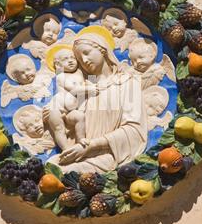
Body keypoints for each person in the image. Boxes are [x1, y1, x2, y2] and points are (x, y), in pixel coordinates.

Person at [46, 26, 148, 173]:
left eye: (87, 53)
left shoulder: (126, 82)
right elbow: (69, 124)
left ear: (102, 49)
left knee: (64, 172)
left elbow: (134, 131)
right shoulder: (84, 89)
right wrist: (53, 112)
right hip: (79, 153)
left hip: (109, 154)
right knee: (51, 165)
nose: (85, 60)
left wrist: (90, 146)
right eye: (80, 59)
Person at [43, 45, 96, 151]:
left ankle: (80, 138)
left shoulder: (80, 73)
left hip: (70, 110)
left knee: (80, 117)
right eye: (65, 59)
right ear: (58, 64)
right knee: (59, 129)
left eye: (72, 58)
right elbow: (74, 90)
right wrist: (89, 89)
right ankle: (65, 148)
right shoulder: (60, 76)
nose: (70, 61)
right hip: (56, 109)